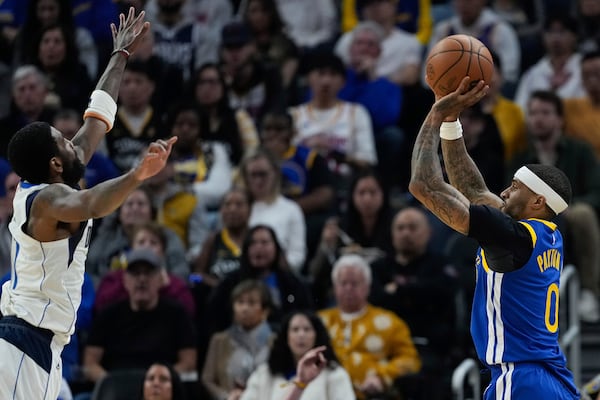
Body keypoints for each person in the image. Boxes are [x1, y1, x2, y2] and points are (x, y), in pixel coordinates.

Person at [0, 8, 177, 400]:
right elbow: (94, 202)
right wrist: (137, 176)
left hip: (42, 344)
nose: (71, 138)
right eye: (63, 139)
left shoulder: (60, 171)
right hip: (21, 343)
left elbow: (97, 119)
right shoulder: (46, 199)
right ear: (55, 163)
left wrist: (120, 56)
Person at [408, 76, 580, 398]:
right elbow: (473, 189)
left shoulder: (513, 237)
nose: (503, 191)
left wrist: (434, 113)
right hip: (554, 379)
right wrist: (451, 122)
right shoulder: (544, 234)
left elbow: (423, 185)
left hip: (520, 378)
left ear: (537, 202)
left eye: (514, 187)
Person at [83, 248, 197, 384]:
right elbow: (90, 364)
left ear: (161, 279)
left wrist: (158, 381)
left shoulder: (177, 314)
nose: (142, 279)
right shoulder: (108, 314)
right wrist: (112, 384)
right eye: (135, 273)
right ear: (125, 280)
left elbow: (189, 362)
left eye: (148, 273)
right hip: (117, 388)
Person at [318, 254, 421, 399]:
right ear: (334, 287)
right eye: (343, 283)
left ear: (367, 287)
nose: (348, 289)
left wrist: (382, 376)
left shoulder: (390, 322)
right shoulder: (318, 321)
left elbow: (410, 359)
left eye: (354, 283)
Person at [240, 310, 355, 400]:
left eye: (307, 329)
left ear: (317, 336)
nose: (301, 335)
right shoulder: (264, 373)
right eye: (295, 330)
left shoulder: (334, 373)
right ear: (286, 337)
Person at [201, 279, 274, 400]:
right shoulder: (219, 340)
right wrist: (226, 396)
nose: (244, 308)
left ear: (265, 311)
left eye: (251, 303)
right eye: (240, 302)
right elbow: (207, 379)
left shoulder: (275, 342)